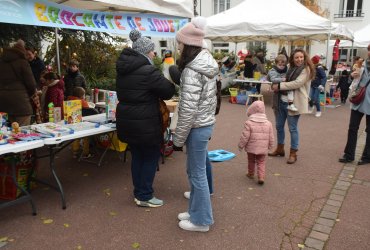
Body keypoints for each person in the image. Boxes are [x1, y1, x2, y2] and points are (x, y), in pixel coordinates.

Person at [116, 29, 175, 208]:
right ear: (144, 52)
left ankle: (139, 192)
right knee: (150, 157)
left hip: (128, 120)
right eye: (151, 50)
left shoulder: (122, 69)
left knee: (138, 156)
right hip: (146, 123)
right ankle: (144, 195)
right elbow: (168, 91)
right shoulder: (148, 70)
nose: (153, 53)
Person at [173, 16, 219, 232]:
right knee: (195, 173)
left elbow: (188, 109)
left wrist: (177, 139)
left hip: (197, 127)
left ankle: (201, 220)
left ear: (188, 45)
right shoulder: (204, 62)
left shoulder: (192, 70)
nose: (178, 46)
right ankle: (195, 212)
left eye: (180, 43)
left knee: (197, 174)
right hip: (203, 125)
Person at [270, 48, 315, 164]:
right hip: (281, 101)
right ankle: (280, 149)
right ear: (293, 59)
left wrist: (279, 85)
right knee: (279, 126)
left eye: (301, 57)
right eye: (296, 57)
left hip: (294, 103)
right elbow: (282, 77)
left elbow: (297, 83)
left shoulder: (306, 69)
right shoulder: (291, 68)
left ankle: (293, 153)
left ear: (304, 57)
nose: (299, 59)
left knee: (292, 128)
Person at [339, 44, 370, 165]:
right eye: (369, 50)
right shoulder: (361, 64)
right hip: (359, 99)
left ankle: (367, 156)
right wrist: (352, 76)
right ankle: (349, 155)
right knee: (352, 128)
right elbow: (355, 79)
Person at [0, 39, 37, 126]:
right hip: (21, 105)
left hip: (3, 104)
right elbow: (31, 84)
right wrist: (30, 94)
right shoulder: (22, 62)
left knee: (7, 135)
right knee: (22, 134)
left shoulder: (1, 63)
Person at [238, 101, 274, 185]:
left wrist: (241, 145)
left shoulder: (249, 123)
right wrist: (271, 145)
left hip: (251, 147)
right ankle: (261, 177)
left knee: (251, 160)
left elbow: (245, 136)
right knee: (261, 161)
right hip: (263, 147)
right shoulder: (268, 123)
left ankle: (251, 173)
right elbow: (271, 136)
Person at [68, 87, 98, 159]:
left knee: (75, 137)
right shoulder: (82, 102)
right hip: (83, 123)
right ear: (82, 96)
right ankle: (85, 153)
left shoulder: (69, 100)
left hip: (72, 122)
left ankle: (75, 152)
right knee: (86, 137)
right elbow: (89, 111)